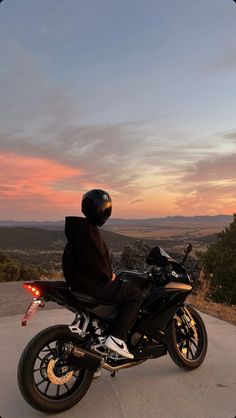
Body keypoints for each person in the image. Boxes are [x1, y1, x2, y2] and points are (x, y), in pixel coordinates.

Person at [62, 189, 143, 359]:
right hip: (92, 285)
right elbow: (93, 263)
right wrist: (109, 275)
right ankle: (117, 338)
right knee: (135, 293)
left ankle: (93, 358)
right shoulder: (88, 232)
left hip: (79, 284)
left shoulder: (79, 228)